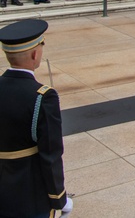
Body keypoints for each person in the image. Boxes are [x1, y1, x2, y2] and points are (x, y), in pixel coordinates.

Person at [0, 19, 73, 217]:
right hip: (29, 192)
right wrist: (60, 198)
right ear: (35, 54)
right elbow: (50, 154)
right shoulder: (42, 96)